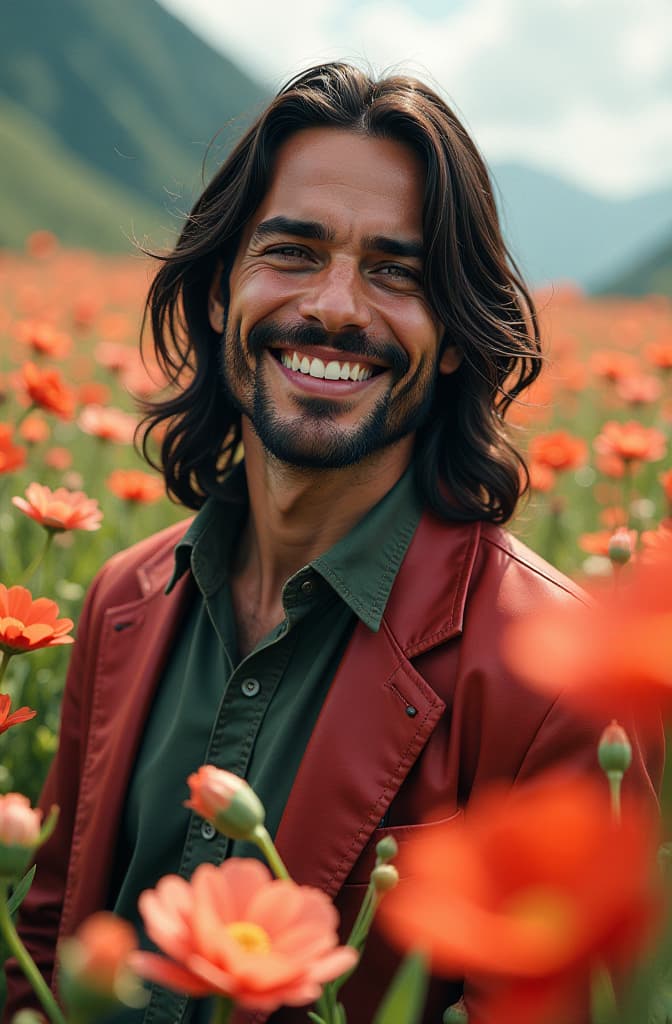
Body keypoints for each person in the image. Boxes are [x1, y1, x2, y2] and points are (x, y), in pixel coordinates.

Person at [5, 62, 662, 1024]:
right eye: (293, 252)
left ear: (451, 336)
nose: (338, 308)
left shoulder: (553, 677)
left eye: (396, 272)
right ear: (223, 290)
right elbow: (44, 940)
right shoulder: (123, 599)